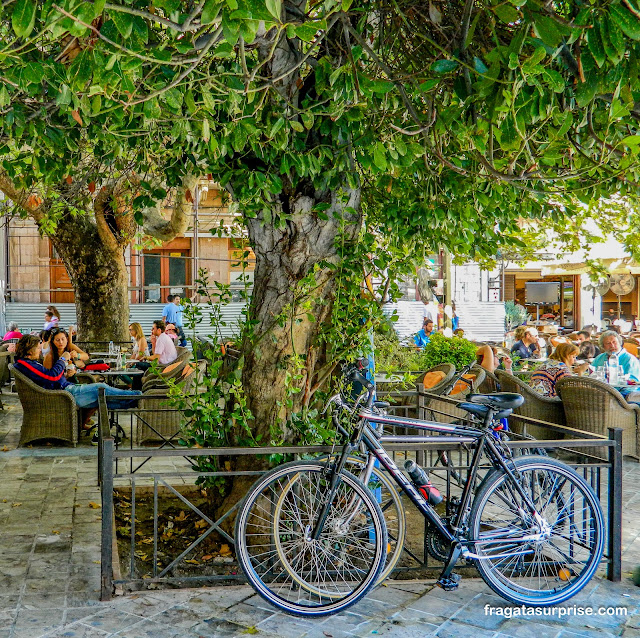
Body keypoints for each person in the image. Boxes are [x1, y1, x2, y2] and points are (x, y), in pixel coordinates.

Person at [13, 335, 141, 433]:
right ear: (29, 350)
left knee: (103, 399)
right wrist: (63, 359)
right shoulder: (25, 364)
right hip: (63, 394)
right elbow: (51, 377)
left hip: (63, 390)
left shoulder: (27, 363)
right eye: (38, 348)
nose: (40, 351)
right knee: (101, 389)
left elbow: (48, 378)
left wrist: (64, 375)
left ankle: (137, 400)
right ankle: (139, 398)